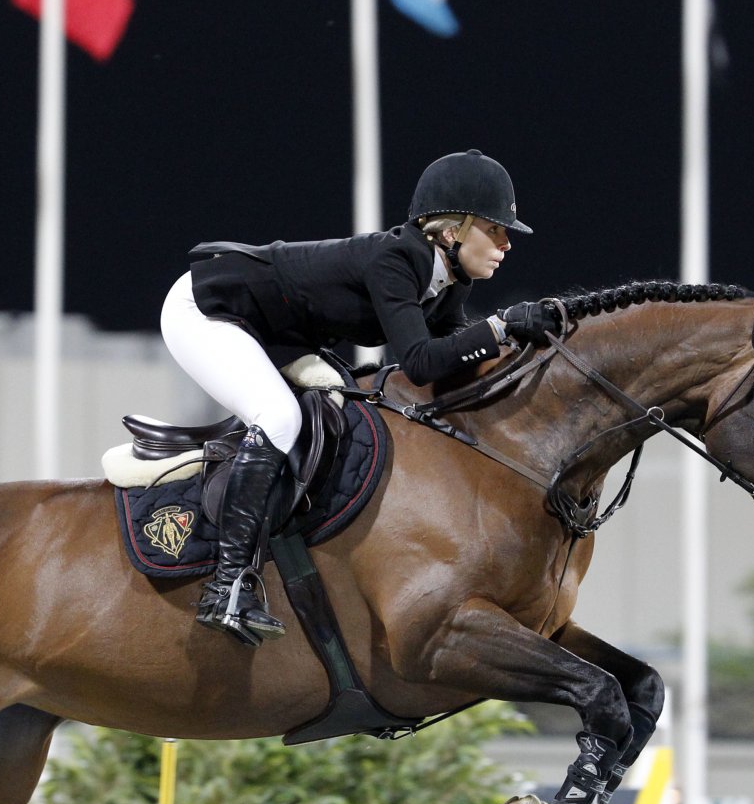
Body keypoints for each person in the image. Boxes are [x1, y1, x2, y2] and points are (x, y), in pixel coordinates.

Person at [159, 149, 564, 646]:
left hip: (275, 331)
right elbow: (419, 361)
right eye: (495, 229)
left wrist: (522, 341)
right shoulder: (395, 259)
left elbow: (458, 361)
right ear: (453, 229)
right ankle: (227, 586)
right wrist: (501, 325)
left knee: (338, 402)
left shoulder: (447, 281)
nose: (506, 243)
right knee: (280, 417)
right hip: (208, 309)